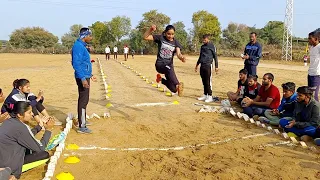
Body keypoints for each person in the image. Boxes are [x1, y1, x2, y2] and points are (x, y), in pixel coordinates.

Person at [0, 101, 54, 179]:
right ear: (19, 114)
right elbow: (40, 148)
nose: (32, 114)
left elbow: (25, 136)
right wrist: (48, 130)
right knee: (44, 154)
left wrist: (39, 126)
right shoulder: (21, 127)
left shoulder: (8, 122)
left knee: (29, 147)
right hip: (10, 167)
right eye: (29, 112)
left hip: (3, 160)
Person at [143, 25, 186, 96]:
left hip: (169, 66)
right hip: (160, 65)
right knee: (169, 70)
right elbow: (145, 37)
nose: (170, 36)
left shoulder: (176, 42)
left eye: (172, 34)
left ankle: (161, 80)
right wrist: (150, 29)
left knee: (174, 89)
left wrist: (181, 58)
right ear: (165, 33)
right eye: (169, 34)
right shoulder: (161, 38)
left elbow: (178, 54)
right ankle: (178, 85)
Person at [71, 27, 97, 134]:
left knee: (84, 100)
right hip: (82, 77)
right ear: (84, 36)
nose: (91, 38)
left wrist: (90, 75)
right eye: (90, 36)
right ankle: (82, 126)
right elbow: (76, 64)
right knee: (83, 100)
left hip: (85, 75)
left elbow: (83, 63)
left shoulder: (82, 46)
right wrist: (83, 78)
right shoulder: (78, 47)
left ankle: (83, 120)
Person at [195, 34, 219, 103]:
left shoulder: (212, 46)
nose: (203, 41)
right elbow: (200, 56)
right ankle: (205, 95)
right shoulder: (202, 47)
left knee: (208, 81)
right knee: (203, 81)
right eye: (203, 40)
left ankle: (210, 96)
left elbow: (215, 57)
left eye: (205, 40)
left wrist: (216, 66)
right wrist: (197, 65)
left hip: (208, 65)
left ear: (208, 39)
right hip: (202, 65)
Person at [307, 31, 320, 101]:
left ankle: (317, 111)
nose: (308, 40)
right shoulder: (311, 47)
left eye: (310, 38)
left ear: (316, 38)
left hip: (317, 75)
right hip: (310, 73)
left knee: (314, 95)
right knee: (309, 94)